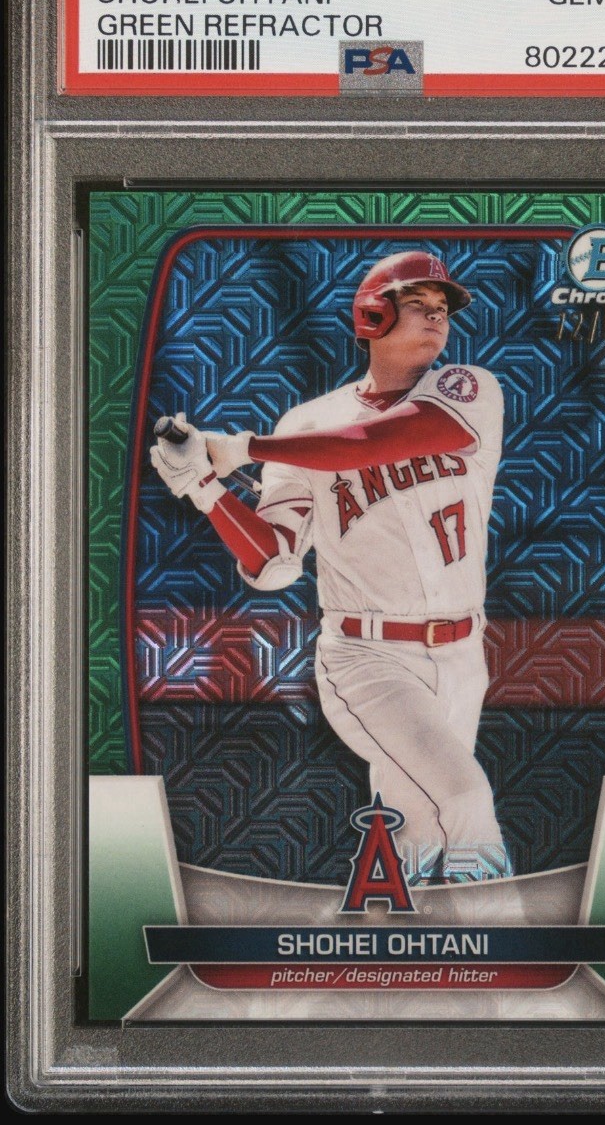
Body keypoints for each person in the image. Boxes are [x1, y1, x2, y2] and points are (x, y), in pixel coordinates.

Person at [150, 250, 511, 882]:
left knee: (418, 828)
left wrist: (242, 448)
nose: (437, 317)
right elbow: (275, 563)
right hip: (368, 658)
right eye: (418, 304)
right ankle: (503, 935)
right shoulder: (309, 423)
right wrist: (205, 488)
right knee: (463, 797)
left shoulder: (469, 387)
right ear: (372, 316)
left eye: (443, 308)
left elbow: (377, 440)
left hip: (463, 655)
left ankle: (388, 933)